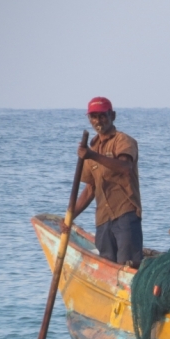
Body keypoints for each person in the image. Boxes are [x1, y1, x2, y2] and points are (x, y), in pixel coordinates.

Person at [70, 97, 143, 267]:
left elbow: (125, 167)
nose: (98, 121)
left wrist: (92, 155)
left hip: (125, 214)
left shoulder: (123, 141)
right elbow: (90, 189)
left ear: (112, 116)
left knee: (128, 265)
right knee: (107, 266)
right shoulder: (92, 147)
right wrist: (70, 217)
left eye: (102, 116)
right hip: (103, 219)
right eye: (93, 116)